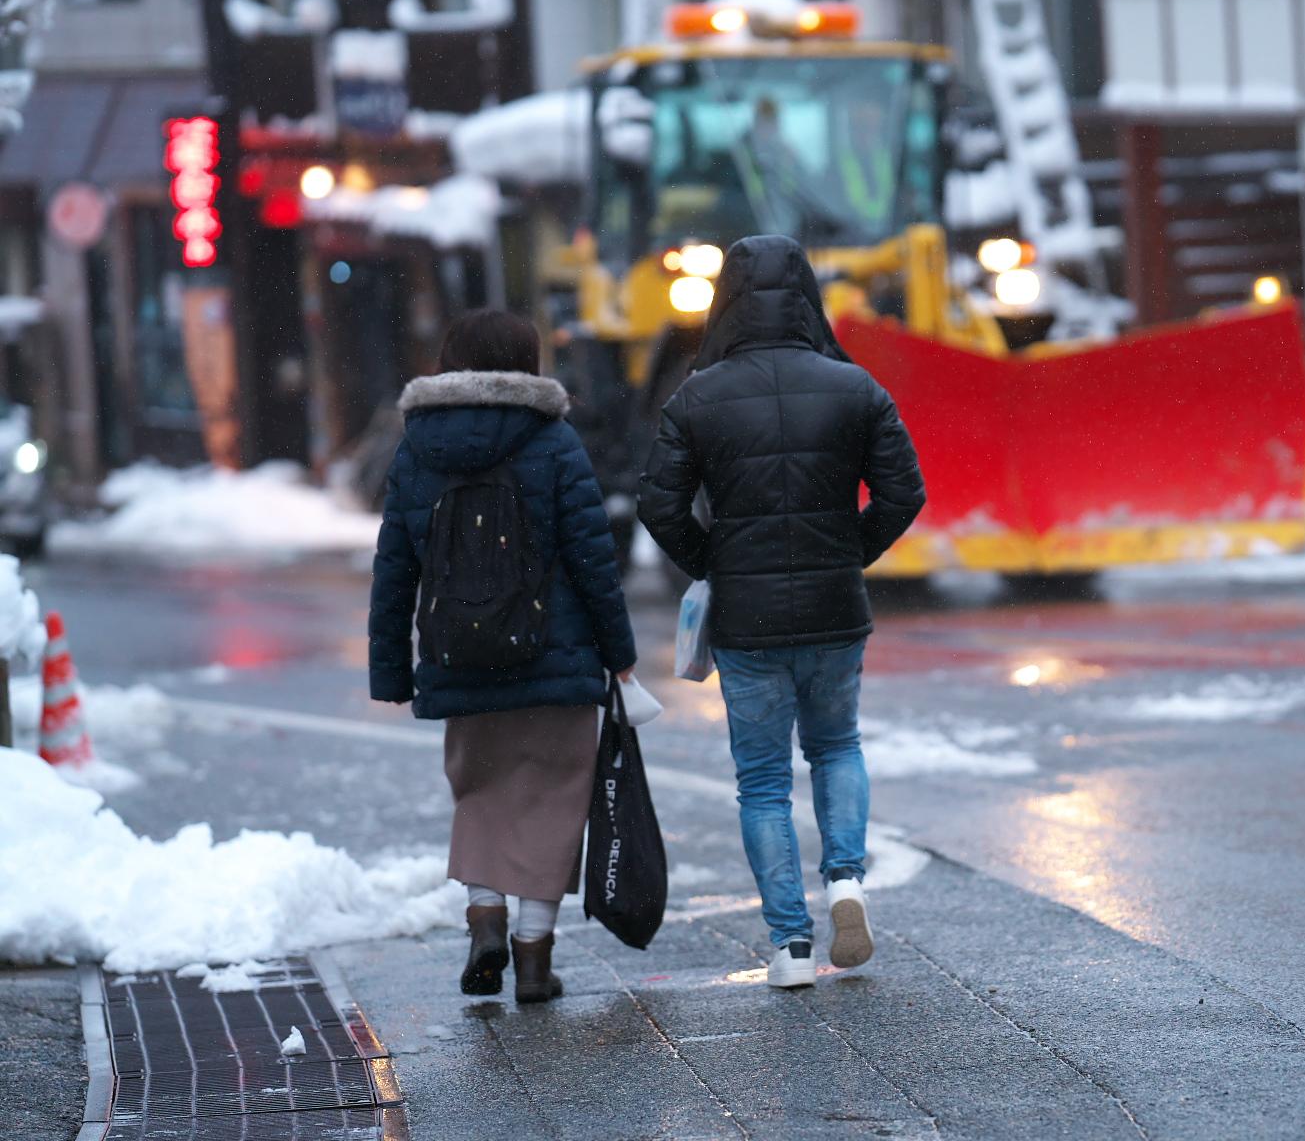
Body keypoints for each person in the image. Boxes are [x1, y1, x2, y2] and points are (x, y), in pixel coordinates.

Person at [636, 235, 925, 989]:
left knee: (763, 781)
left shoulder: (695, 397)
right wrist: (849, 551)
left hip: (748, 619)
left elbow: (658, 506)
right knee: (837, 746)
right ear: (807, 295)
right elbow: (905, 492)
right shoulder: (855, 387)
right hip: (835, 608)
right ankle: (847, 880)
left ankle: (792, 947)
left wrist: (714, 561)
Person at [369, 309, 637, 1005]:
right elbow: (593, 560)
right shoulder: (554, 440)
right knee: (552, 802)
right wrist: (619, 654)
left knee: (480, 795)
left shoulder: (416, 447)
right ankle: (534, 961)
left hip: (460, 659)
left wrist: (391, 669)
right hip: (557, 658)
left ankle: (484, 921)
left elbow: (393, 567)